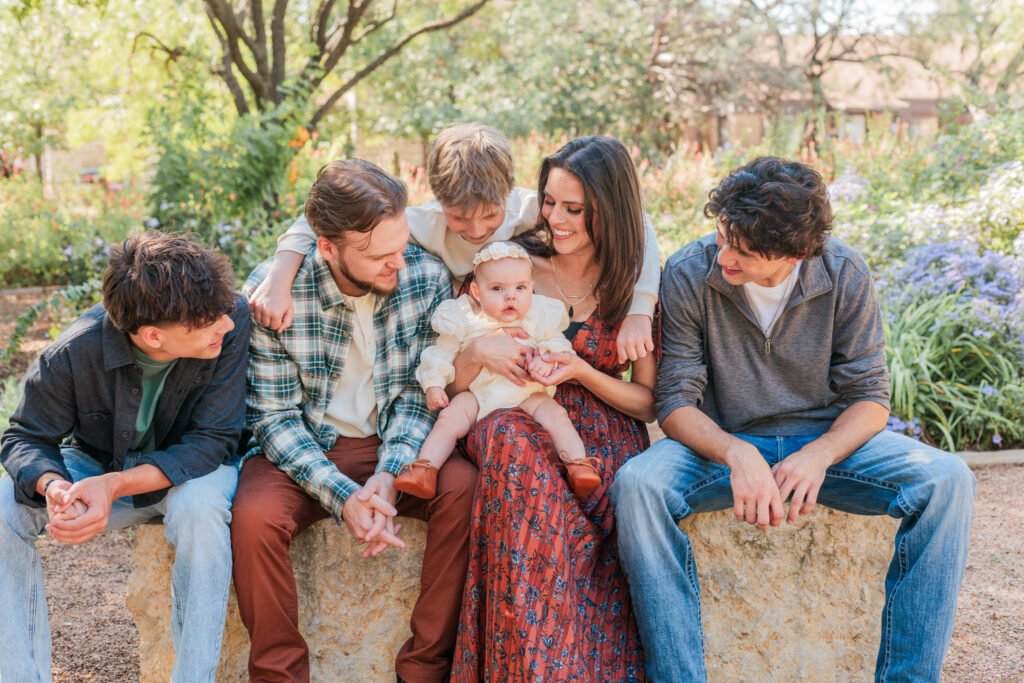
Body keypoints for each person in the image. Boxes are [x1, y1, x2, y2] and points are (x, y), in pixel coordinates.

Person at [612, 156, 976, 682]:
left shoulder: (844, 272)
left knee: (949, 481)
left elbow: (871, 398)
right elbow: (675, 402)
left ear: (796, 253)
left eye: (743, 251)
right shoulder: (690, 271)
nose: (724, 256)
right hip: (722, 443)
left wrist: (821, 454)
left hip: (829, 447)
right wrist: (736, 454)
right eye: (723, 235)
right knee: (639, 486)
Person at [231, 158, 477, 683]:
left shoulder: (425, 277)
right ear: (326, 247)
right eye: (378, 255)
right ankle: (280, 676)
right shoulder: (275, 295)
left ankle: (424, 669)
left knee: (462, 486)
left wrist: (390, 476)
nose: (399, 265)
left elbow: (416, 396)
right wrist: (344, 497)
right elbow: (273, 419)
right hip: (307, 448)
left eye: (401, 245)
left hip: (396, 442)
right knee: (253, 517)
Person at [449, 135, 657, 682]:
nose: (556, 219)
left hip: (604, 430)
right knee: (519, 468)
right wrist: (475, 351)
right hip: (511, 411)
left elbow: (647, 402)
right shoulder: (512, 263)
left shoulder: (636, 286)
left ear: (607, 210)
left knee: (609, 493)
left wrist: (583, 371)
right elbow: (452, 384)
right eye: (548, 202)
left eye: (574, 209)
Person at [0, 232, 248, 683]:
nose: (226, 327)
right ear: (153, 335)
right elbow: (24, 437)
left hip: (194, 474)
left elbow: (214, 439)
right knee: (2, 507)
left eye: (224, 313)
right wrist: (55, 488)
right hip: (98, 468)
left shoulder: (229, 317)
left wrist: (114, 486)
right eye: (211, 323)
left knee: (200, 509)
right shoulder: (73, 353)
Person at [249, 122, 661, 367]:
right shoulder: (423, 223)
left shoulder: (535, 209)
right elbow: (315, 221)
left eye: (489, 215)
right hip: (453, 337)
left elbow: (638, 224)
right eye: (460, 216)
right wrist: (280, 277)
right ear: (438, 199)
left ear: (506, 195)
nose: (477, 229)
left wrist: (641, 309)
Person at [398, 240, 599, 500]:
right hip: (477, 395)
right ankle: (425, 469)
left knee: (557, 415)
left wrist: (546, 360)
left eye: (520, 287)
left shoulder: (539, 316)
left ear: (531, 288)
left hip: (527, 393)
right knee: (449, 418)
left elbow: (559, 347)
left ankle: (578, 465)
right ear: (477, 292)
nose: (510, 296)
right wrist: (434, 384)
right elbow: (440, 353)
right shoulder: (465, 318)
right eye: (497, 288)